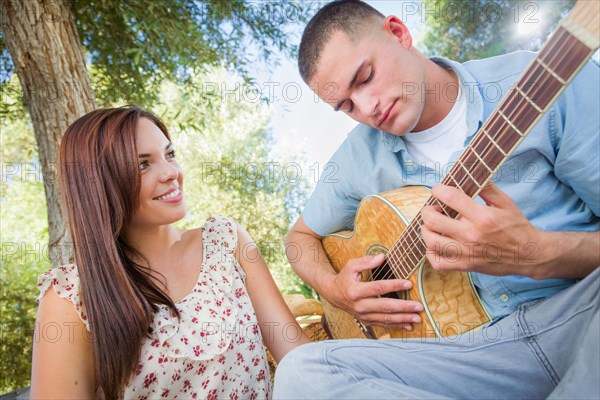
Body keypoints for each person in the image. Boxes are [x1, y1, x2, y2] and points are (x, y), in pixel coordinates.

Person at [274, 0, 599, 399]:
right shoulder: (359, 156)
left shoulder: (537, 81)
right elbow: (299, 239)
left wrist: (542, 253)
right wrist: (338, 290)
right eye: (345, 106)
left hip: (580, 311)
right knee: (301, 374)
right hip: (474, 355)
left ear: (398, 33)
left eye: (365, 77)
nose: (367, 108)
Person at [30, 106, 310, 399]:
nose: (171, 173)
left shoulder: (226, 242)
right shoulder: (70, 298)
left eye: (170, 154)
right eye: (143, 165)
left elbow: (298, 358)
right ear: (98, 185)